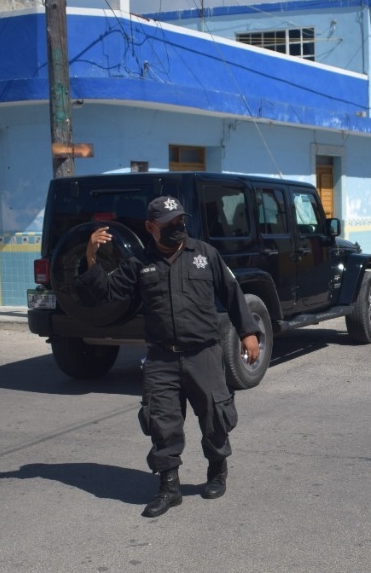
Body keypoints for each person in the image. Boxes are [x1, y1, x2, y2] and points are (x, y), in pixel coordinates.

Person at [79, 195, 262, 517]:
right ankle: (169, 487)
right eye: (169, 224)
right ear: (151, 227)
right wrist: (91, 257)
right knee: (162, 422)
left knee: (215, 417)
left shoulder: (205, 255)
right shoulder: (140, 263)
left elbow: (232, 293)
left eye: (180, 221)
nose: (177, 228)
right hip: (161, 358)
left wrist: (248, 333)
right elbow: (104, 295)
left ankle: (217, 470)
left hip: (203, 353)